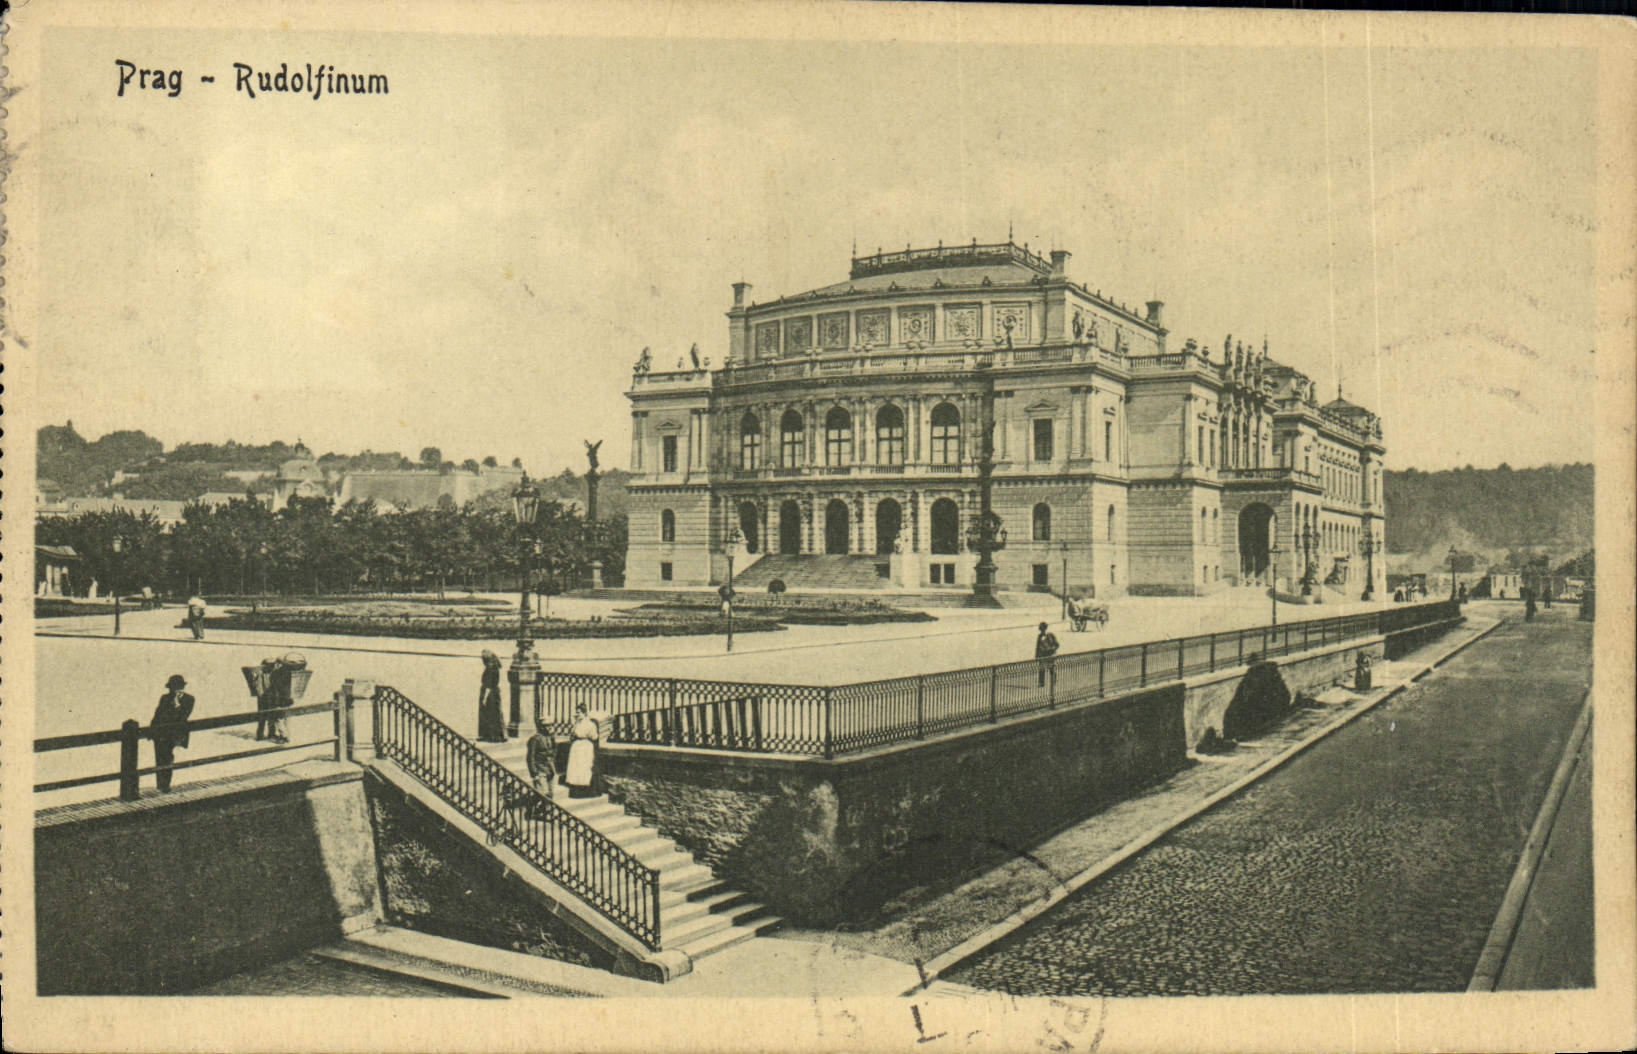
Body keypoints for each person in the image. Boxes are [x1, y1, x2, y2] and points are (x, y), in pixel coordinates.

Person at [150, 674, 196, 793]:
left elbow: (183, 716)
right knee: (160, 757)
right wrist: (151, 731)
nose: (174, 690)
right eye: (172, 687)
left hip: (175, 733)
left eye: (177, 687)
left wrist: (176, 704)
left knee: (168, 758)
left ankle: (165, 785)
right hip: (161, 733)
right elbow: (157, 715)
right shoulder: (164, 698)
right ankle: (161, 785)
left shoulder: (189, 699)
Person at [565, 704, 601, 798]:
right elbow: (572, 734)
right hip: (576, 747)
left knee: (584, 768)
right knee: (575, 768)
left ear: (584, 713)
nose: (577, 714)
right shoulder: (577, 724)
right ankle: (576, 790)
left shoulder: (590, 724)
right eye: (576, 712)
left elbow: (594, 736)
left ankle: (585, 791)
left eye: (579, 712)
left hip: (585, 747)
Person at [476, 650, 506, 742]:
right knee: (495, 714)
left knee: (488, 715)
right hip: (494, 693)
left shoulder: (490, 668)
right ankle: (496, 735)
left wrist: (484, 698)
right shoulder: (495, 667)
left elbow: (489, 684)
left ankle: (490, 736)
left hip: (489, 694)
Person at [526, 725, 557, 801]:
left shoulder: (550, 737)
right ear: (541, 727)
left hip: (550, 769)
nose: (549, 727)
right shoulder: (535, 739)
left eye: (551, 725)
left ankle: (547, 807)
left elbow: (554, 750)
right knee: (542, 794)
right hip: (540, 769)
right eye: (547, 726)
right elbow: (531, 757)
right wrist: (534, 773)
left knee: (550, 794)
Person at [1034, 621, 1059, 688]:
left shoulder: (1051, 635)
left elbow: (1057, 644)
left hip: (1050, 655)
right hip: (1042, 656)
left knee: (1051, 669)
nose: (1042, 631)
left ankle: (1053, 682)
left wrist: (1051, 649)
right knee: (1041, 669)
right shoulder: (1039, 636)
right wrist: (1037, 656)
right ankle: (1041, 683)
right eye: (1041, 629)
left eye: (1043, 629)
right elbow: (1037, 647)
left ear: (1046, 628)